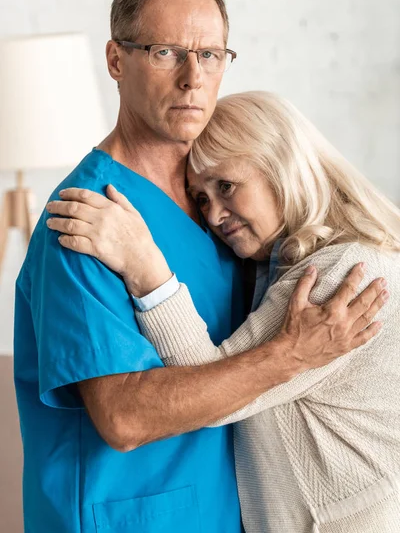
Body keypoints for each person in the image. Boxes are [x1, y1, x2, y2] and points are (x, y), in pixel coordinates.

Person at [15, 0, 384, 533]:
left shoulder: (223, 210)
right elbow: (125, 416)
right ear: (117, 61)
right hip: (129, 517)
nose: (193, 77)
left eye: (210, 55)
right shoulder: (89, 220)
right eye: (166, 52)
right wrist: (291, 354)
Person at [46, 91, 399, 533]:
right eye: (201, 199)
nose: (213, 215)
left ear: (281, 166)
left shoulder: (343, 275)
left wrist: (144, 264)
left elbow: (210, 383)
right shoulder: (286, 268)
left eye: (226, 186)